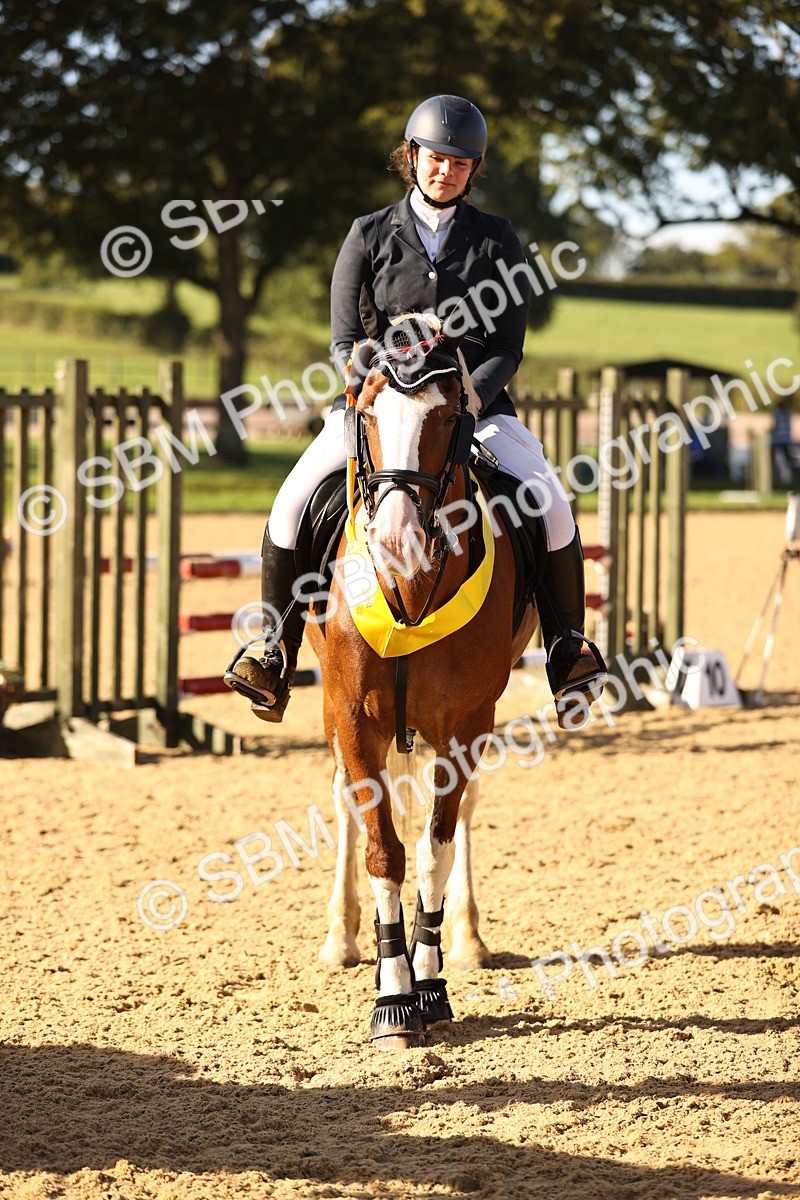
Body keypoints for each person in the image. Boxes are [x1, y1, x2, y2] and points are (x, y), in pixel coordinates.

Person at [226, 94, 606, 725]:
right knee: (292, 502)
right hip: (379, 411)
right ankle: (275, 650)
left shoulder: (496, 239)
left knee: (553, 504)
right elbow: (346, 339)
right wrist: (365, 383)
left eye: (460, 162)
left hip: (476, 408)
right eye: (435, 158)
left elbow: (508, 345)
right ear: (412, 157)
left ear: (473, 168)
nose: (446, 171)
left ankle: (567, 648)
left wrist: (472, 395)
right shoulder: (369, 233)